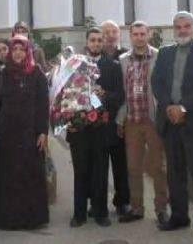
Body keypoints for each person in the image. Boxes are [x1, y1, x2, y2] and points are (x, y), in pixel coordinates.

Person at [151, 12, 193, 238]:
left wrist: (183, 107)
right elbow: (157, 82)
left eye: (187, 26)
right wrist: (169, 106)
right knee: (175, 174)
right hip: (170, 122)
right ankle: (179, 217)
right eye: (178, 27)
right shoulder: (165, 53)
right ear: (173, 29)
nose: (182, 30)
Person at [0, 35, 49, 230]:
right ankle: (11, 219)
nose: (18, 53)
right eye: (15, 49)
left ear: (28, 52)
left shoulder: (37, 73)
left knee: (31, 175)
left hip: (30, 134)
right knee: (10, 177)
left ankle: (32, 219)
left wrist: (43, 132)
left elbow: (43, 105)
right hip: (8, 134)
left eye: (22, 49)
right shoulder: (1, 74)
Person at [67, 27, 124, 228]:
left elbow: (120, 95)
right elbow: (65, 93)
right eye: (93, 40)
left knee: (100, 171)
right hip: (79, 127)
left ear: (103, 42)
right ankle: (79, 214)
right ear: (87, 42)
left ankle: (101, 212)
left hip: (102, 127)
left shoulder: (112, 66)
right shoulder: (75, 65)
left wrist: (104, 95)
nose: (96, 43)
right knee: (80, 170)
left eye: (100, 40)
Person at [116, 21, 168, 225]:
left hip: (152, 120)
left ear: (148, 35)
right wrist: (120, 120)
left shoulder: (159, 56)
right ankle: (137, 208)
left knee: (158, 168)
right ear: (130, 36)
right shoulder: (123, 60)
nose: (139, 37)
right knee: (133, 168)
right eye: (135, 34)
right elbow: (122, 92)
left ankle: (161, 209)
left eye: (142, 34)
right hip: (132, 121)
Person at [100, 20, 130, 216]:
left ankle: (122, 202)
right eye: (107, 32)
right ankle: (98, 203)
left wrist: (109, 97)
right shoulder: (94, 58)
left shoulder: (126, 56)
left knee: (121, 164)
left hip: (120, 118)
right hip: (98, 119)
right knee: (99, 166)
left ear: (119, 34)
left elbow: (128, 90)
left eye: (114, 32)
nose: (111, 35)